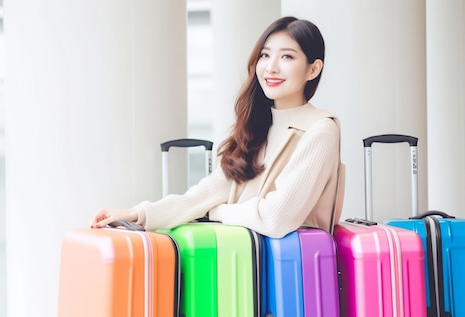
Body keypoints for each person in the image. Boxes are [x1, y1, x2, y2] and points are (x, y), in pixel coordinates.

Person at [91, 16, 344, 238]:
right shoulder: (257, 128)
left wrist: (216, 213)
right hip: (246, 270)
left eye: (287, 56)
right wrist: (136, 214)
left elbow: (276, 218)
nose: (271, 66)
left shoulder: (320, 130)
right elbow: (202, 196)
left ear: (313, 69)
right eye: (265, 55)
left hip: (296, 278)